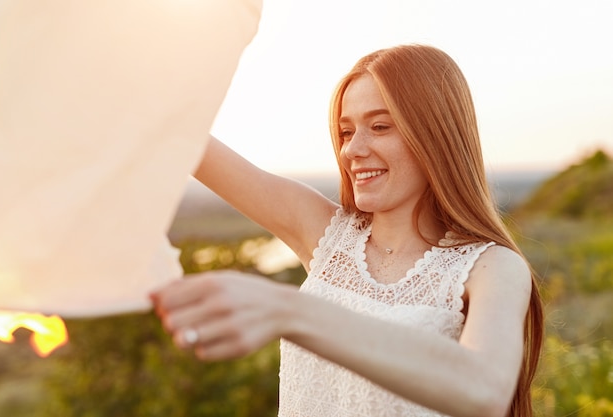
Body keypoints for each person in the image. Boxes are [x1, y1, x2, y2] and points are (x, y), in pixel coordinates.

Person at [152, 44, 544, 417]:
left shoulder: (492, 268)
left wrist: (290, 309)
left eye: (379, 126)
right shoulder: (325, 236)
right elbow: (184, 139)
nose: (352, 150)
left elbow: (486, 391)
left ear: (435, 133)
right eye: (345, 132)